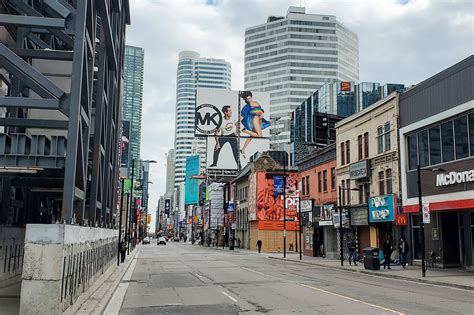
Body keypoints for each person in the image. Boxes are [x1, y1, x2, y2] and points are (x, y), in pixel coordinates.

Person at [239, 91, 271, 159]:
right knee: (259, 136)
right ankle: (245, 131)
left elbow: (261, 112)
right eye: (247, 99)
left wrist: (262, 118)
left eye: (249, 98)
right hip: (255, 121)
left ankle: (243, 149)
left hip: (259, 120)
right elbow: (243, 115)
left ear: (251, 97)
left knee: (252, 136)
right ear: (245, 99)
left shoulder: (256, 102)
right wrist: (238, 122)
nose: (249, 100)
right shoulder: (247, 106)